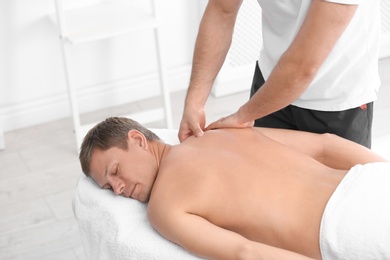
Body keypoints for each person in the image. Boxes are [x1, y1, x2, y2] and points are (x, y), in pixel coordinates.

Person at [79, 117, 389, 260]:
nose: (118, 189)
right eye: (108, 187)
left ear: (137, 140)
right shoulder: (222, 131)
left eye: (115, 171)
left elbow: (246, 253)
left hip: (346, 230)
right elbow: (326, 146)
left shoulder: (164, 206)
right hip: (371, 182)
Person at [179, 0, 381, 148]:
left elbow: (303, 65)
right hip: (271, 83)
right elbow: (221, 11)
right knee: (267, 185)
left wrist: (243, 116)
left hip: (336, 98)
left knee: (336, 197)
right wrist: (195, 102)